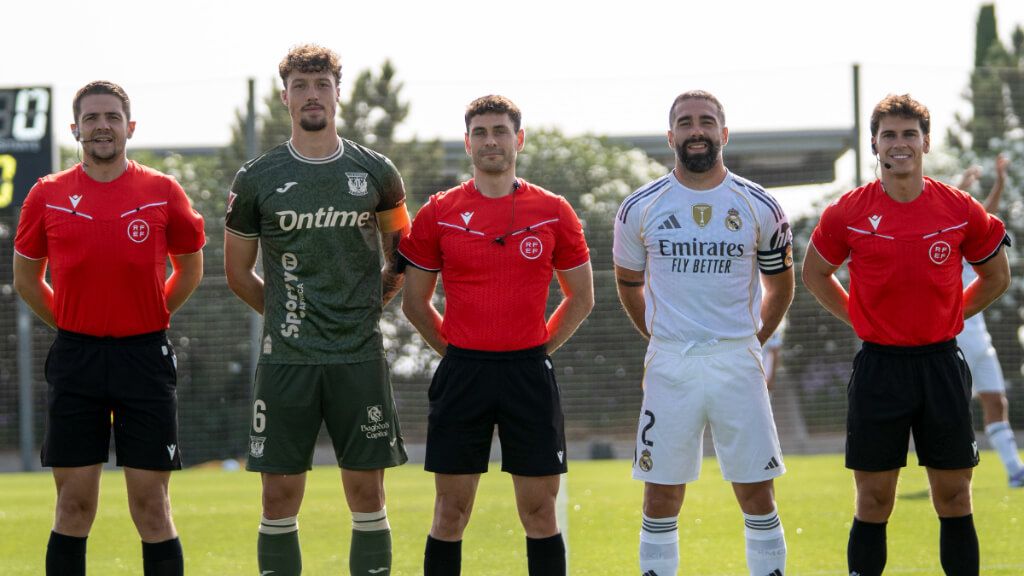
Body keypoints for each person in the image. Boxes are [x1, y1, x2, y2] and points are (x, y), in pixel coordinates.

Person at [802, 94, 1011, 576]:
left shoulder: (959, 208)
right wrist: (858, 316)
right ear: (875, 144)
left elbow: (996, 276)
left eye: (909, 134)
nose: (900, 144)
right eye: (889, 135)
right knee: (874, 499)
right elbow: (815, 274)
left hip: (941, 364)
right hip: (880, 368)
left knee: (955, 496)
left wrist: (953, 315)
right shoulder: (848, 212)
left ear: (926, 142)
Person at [223, 44, 410, 576]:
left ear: (337, 93)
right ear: (285, 97)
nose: (312, 95)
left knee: (368, 493)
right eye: (301, 86)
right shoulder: (257, 177)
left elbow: (404, 257)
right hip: (287, 361)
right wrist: (287, 317)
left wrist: (365, 312)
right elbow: (238, 273)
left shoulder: (376, 171)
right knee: (278, 498)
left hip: (358, 357)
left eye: (322, 84)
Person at [13, 81, 205, 575]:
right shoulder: (47, 195)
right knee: (74, 507)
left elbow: (190, 267)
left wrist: (151, 315)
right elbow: (26, 278)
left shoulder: (162, 191)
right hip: (76, 359)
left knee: (151, 507)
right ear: (76, 129)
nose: (103, 126)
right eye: (92, 118)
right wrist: (73, 321)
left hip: (144, 359)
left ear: (130, 127)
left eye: (112, 117)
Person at [399, 94, 594, 576]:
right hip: (463, 373)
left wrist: (537, 348)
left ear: (519, 139)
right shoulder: (439, 212)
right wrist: (458, 351)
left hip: (528, 373)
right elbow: (414, 303)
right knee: (450, 513)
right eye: (481, 133)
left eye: (500, 131)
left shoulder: (553, 210)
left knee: (540, 512)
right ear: (468, 144)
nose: (491, 141)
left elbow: (581, 297)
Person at [613, 90, 794, 576]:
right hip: (671, 363)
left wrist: (755, 337)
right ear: (670, 136)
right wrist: (656, 335)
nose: (697, 131)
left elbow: (780, 284)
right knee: (662, 493)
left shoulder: (761, 205)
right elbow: (628, 283)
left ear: (724, 133)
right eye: (686, 123)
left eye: (707, 122)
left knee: (756, 491)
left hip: (738, 359)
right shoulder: (639, 207)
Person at [956, 155, 1024, 488]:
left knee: (996, 400)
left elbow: (987, 214)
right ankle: (951, 471)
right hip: (952, 337)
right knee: (950, 409)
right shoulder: (943, 238)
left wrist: (998, 179)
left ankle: (1014, 469)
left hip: (979, 339)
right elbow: (934, 212)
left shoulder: (977, 239)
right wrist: (961, 186)